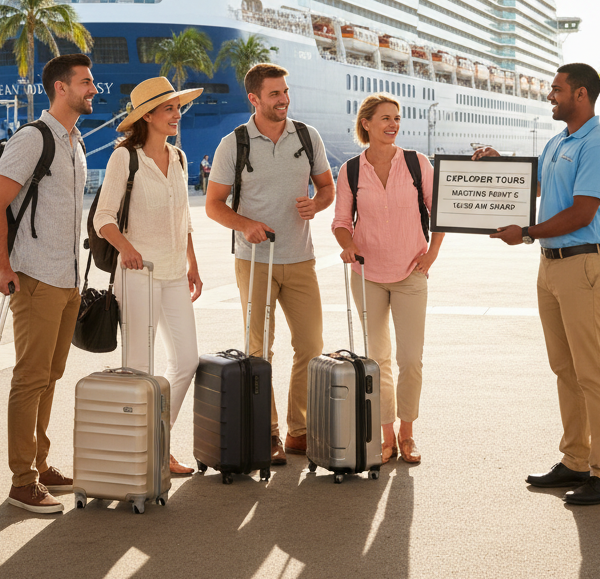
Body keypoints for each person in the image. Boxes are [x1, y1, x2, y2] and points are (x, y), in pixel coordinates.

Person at [480, 62, 600, 506]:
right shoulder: (559, 141)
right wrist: (501, 169)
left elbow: (582, 212)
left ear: (581, 95)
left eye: (557, 90)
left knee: (592, 371)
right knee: (565, 369)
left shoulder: (597, 145)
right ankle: (576, 460)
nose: (550, 96)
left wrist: (524, 233)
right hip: (551, 267)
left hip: (583, 265)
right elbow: (538, 185)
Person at [206, 63, 335, 464]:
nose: (284, 99)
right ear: (255, 98)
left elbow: (327, 187)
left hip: (300, 259)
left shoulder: (307, 136)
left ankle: (298, 431)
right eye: (275, 94)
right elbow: (213, 205)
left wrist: (317, 203)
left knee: (311, 347)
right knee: (259, 351)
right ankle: (268, 433)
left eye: (285, 91)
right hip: (255, 261)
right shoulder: (235, 143)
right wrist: (244, 225)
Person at [0, 53, 95, 514]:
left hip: (66, 279)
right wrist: (4, 268)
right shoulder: (35, 138)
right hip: (35, 278)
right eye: (86, 82)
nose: (94, 88)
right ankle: (22, 480)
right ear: (60, 88)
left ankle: (41, 463)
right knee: (30, 378)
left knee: (50, 376)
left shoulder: (74, 140)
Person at [93, 76, 204, 476]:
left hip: (175, 273)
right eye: (169, 109)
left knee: (187, 360)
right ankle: (138, 453)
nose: (177, 115)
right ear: (148, 116)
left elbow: (184, 219)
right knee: (140, 366)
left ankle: (158, 438)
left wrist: (193, 264)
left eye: (178, 108)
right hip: (138, 276)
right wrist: (128, 249)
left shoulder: (179, 157)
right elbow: (103, 217)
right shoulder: (126, 157)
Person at [332, 94, 444, 464]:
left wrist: (431, 254)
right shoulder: (350, 170)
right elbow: (341, 222)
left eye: (396, 118)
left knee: (411, 359)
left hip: (411, 271)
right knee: (376, 360)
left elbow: (438, 212)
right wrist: (347, 245)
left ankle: (408, 433)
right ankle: (386, 437)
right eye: (385, 118)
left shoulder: (416, 163)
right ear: (366, 123)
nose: (393, 124)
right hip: (367, 275)